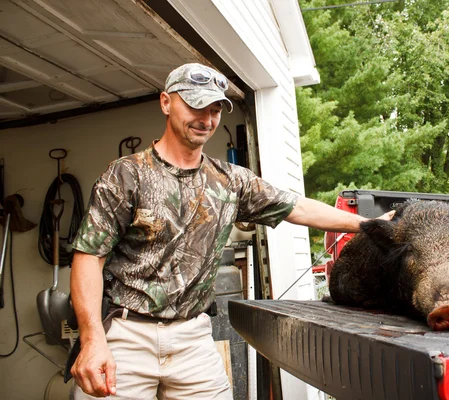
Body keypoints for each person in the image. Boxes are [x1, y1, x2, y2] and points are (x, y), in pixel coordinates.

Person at [69, 62, 395, 399]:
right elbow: (88, 257)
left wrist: (368, 225)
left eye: (214, 110)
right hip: (126, 334)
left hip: (192, 338)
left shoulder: (232, 181)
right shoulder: (126, 175)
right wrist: (92, 340)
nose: (206, 119)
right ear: (166, 102)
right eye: (196, 106)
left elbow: (296, 207)